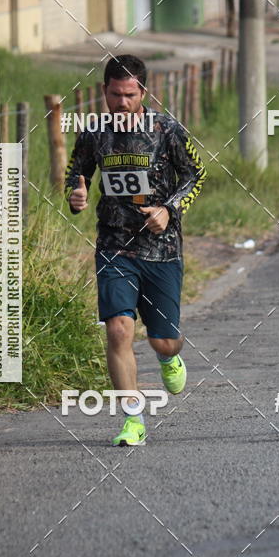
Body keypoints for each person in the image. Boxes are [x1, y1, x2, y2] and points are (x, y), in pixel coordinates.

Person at [65, 55, 207, 446]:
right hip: (113, 246)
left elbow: (196, 174)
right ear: (104, 92)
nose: (122, 103)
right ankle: (132, 418)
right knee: (118, 329)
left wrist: (168, 208)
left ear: (142, 92)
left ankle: (167, 357)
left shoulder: (166, 129)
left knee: (162, 339)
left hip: (160, 249)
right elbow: (77, 174)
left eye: (130, 95)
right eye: (115, 95)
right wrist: (75, 194)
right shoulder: (94, 132)